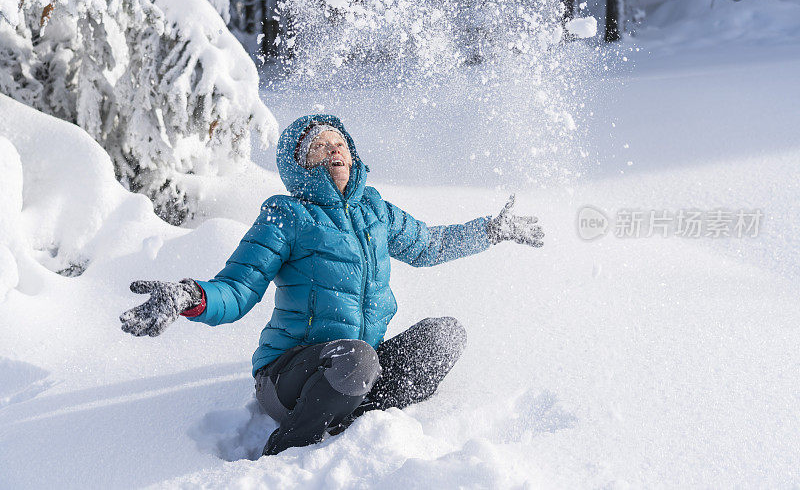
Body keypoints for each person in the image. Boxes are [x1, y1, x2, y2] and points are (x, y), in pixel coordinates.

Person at [119, 114, 544, 456]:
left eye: (339, 141)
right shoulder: (288, 214)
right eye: (319, 145)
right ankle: (283, 452)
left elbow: (429, 244)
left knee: (442, 335)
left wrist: (491, 230)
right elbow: (239, 288)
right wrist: (189, 296)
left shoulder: (374, 209)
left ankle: (354, 422)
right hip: (289, 377)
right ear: (300, 164)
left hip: (358, 369)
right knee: (356, 359)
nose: (334, 147)